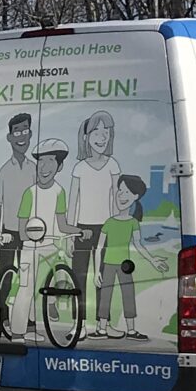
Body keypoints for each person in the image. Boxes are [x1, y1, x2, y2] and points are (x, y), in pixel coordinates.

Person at [14, 138, 71, 337]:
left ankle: (54, 301)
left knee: (61, 262)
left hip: (50, 247)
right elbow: (22, 230)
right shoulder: (29, 193)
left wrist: (78, 231)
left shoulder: (59, 192)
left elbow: (62, 224)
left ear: (59, 166)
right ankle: (18, 334)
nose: (44, 167)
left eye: (50, 161)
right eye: (41, 162)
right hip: (30, 248)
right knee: (26, 289)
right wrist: (35, 234)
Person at [66, 110, 121, 315]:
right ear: (86, 137)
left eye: (106, 133)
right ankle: (77, 321)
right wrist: (71, 234)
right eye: (96, 133)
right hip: (82, 229)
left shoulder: (112, 165)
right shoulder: (79, 167)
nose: (102, 138)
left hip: (106, 229)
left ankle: (102, 323)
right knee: (78, 276)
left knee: (104, 278)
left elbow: (116, 199)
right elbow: (73, 203)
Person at [0, 110, 35, 323]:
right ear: (9, 137)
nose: (21, 136)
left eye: (25, 130)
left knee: (28, 276)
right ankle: (2, 314)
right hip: (8, 232)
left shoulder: (34, 169)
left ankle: (26, 315)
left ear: (31, 134)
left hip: (32, 232)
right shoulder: (4, 171)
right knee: (5, 276)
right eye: (17, 132)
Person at [97, 171, 149, 340]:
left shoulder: (133, 222)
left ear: (135, 197)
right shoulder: (109, 222)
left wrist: (153, 260)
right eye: (120, 190)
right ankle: (102, 328)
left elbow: (138, 245)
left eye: (127, 192)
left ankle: (131, 330)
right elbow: (99, 248)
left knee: (128, 294)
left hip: (125, 265)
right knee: (106, 296)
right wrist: (97, 270)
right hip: (108, 264)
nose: (121, 195)